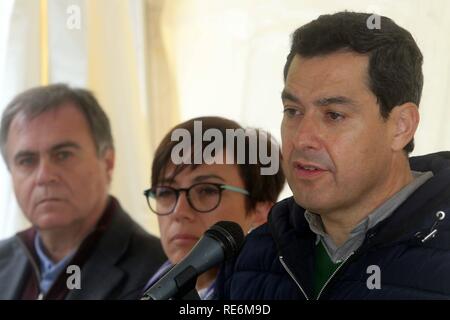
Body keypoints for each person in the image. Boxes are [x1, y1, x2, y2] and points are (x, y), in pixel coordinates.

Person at [215, 11, 450, 299]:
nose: (301, 138)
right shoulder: (252, 256)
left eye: (334, 115)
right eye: (293, 111)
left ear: (401, 127)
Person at [0, 84, 166, 299]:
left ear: (107, 163)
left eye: (63, 155)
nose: (44, 176)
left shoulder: (161, 273)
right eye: (27, 161)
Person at [141, 116, 285, 299]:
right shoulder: (145, 281)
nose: (179, 212)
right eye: (165, 192)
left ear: (262, 210)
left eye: (207, 191)